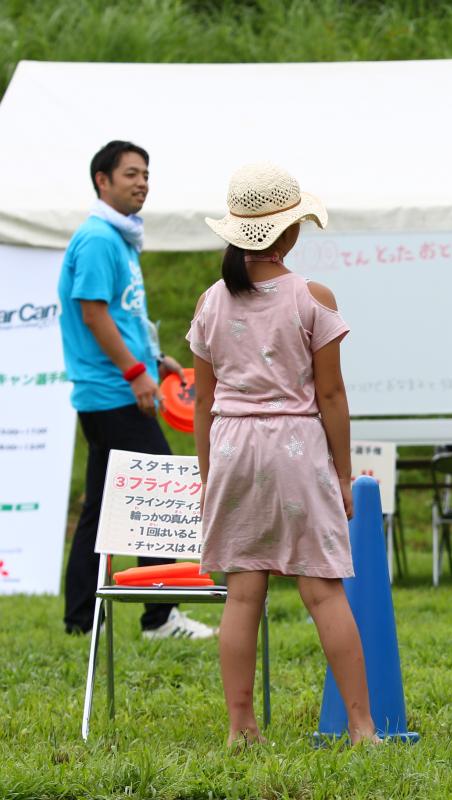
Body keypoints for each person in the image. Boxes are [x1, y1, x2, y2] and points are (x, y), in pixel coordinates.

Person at [189, 163, 378, 746]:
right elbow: (330, 395)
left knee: (243, 594)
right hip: (296, 450)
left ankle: (241, 727)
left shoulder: (209, 302)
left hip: (232, 448)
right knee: (322, 591)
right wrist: (343, 475)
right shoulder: (311, 296)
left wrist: (207, 473)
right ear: (290, 232)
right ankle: (362, 727)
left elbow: (204, 400)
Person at [57, 140, 215, 639]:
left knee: (100, 509)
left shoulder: (119, 238)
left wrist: (155, 361)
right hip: (114, 393)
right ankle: (160, 616)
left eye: (146, 173)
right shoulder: (100, 238)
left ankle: (82, 620)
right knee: (160, 488)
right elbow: (94, 313)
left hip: (114, 389)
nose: (142, 182)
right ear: (102, 180)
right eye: (130, 173)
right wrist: (134, 373)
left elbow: (122, 316)